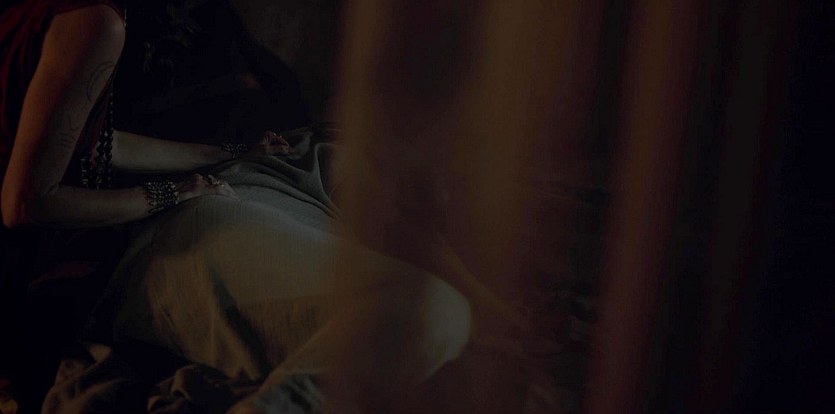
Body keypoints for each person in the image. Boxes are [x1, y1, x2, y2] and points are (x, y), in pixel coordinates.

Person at [0, 0, 292, 410]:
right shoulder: (96, 22)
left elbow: (96, 143)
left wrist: (227, 153)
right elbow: (28, 203)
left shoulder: (90, 16)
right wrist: (169, 194)